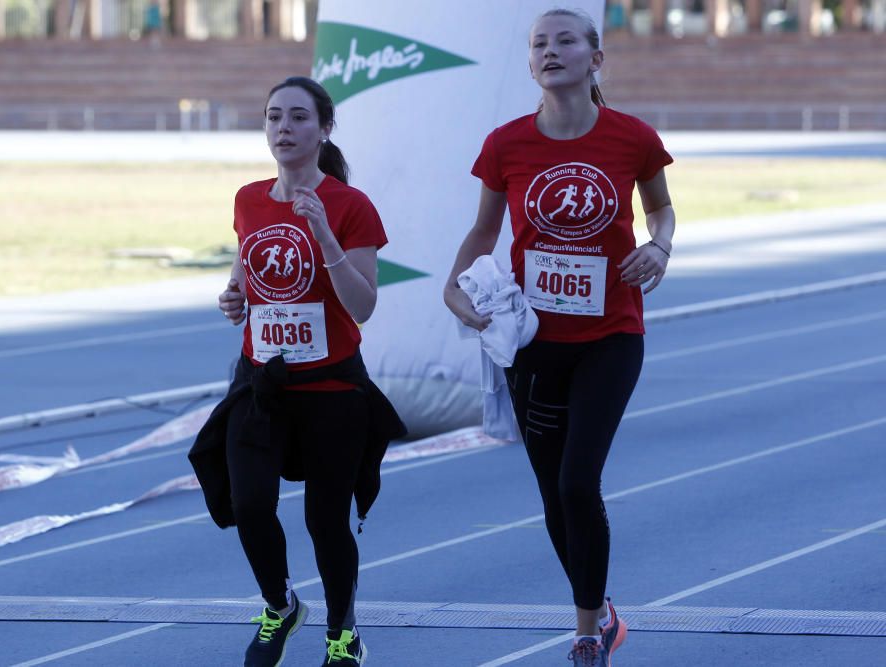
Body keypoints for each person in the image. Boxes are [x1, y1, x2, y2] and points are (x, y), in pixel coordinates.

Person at [443, 9, 675, 666]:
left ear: (595, 59)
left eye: (565, 40)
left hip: (611, 335)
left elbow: (659, 208)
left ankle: (583, 635)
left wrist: (659, 246)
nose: (550, 51)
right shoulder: (506, 144)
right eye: (538, 43)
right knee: (553, 493)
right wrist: (454, 287)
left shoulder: (633, 138)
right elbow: (483, 233)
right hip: (532, 343)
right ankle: (598, 613)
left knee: (578, 481)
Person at [188, 76, 405, 667]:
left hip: (332, 386)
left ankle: (343, 633)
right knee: (250, 503)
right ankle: (280, 605)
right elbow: (245, 276)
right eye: (274, 117)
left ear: (324, 129)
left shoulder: (351, 205)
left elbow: (362, 305)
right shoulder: (249, 198)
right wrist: (234, 298)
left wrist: (324, 235)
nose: (284, 128)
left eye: (298, 118)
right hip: (262, 381)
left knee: (325, 520)